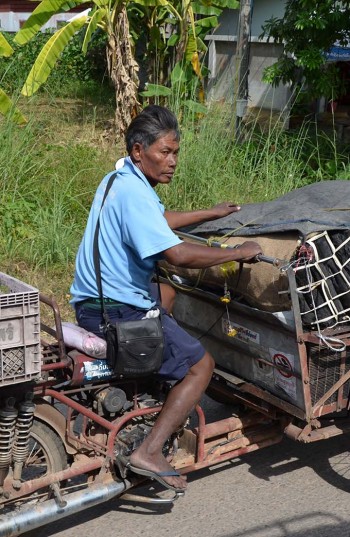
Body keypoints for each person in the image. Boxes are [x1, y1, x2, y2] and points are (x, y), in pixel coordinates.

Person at [70, 105, 262, 494]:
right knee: (200, 366)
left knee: (168, 292)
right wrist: (236, 251)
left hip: (92, 301)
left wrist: (212, 212)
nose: (172, 161)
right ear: (139, 150)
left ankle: (150, 385)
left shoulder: (119, 180)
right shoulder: (134, 193)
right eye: (165, 152)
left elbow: (161, 222)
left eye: (176, 153)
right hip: (118, 313)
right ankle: (150, 450)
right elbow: (178, 255)